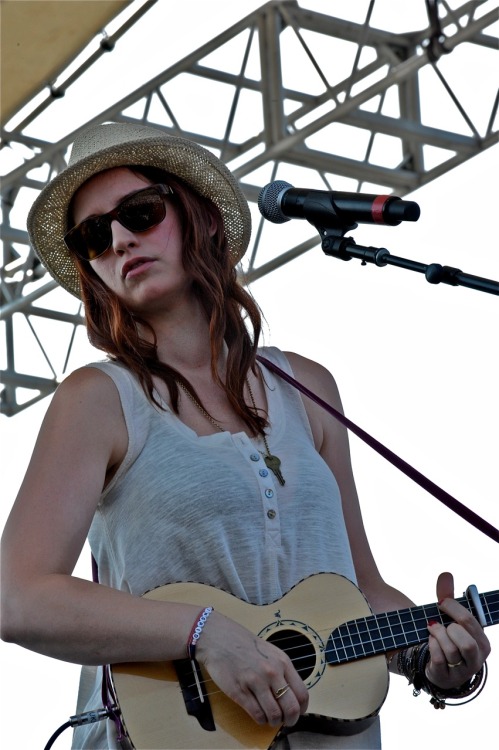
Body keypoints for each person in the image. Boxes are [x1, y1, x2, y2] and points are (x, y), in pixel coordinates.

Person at [1, 122, 490, 750]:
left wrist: (434, 660)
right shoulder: (96, 400)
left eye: (140, 213)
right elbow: (19, 598)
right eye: (94, 236)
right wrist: (203, 631)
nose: (120, 240)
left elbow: (362, 592)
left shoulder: (307, 388)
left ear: (202, 218)